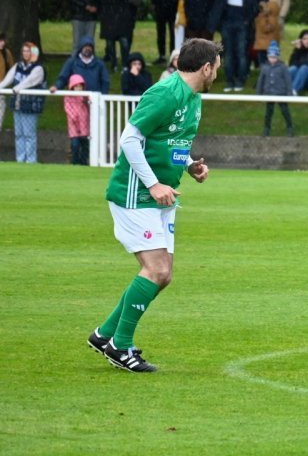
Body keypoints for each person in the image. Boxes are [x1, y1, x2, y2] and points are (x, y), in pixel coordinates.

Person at [86, 38, 221, 373]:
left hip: (163, 197)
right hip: (136, 195)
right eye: (217, 64)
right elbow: (130, 139)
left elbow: (169, 140)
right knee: (157, 270)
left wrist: (189, 165)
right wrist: (153, 183)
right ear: (206, 67)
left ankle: (105, 334)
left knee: (163, 275)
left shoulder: (194, 98)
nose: (218, 70)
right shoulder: (164, 93)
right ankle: (121, 344)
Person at [0, 43, 46, 163]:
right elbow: (8, 79)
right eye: (24, 51)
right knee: (19, 134)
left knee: (29, 135)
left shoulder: (38, 68)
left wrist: (17, 88)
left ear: (33, 53)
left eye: (29, 51)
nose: (26, 53)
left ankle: (30, 161)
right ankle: (20, 160)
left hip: (30, 105)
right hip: (18, 104)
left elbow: (29, 82)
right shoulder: (18, 66)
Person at [213, 0, 255, 91]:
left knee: (241, 53)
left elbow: (254, 6)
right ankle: (230, 81)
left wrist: (248, 20)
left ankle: (240, 80)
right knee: (228, 54)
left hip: (242, 24)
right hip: (227, 24)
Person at [253, 0, 291, 65]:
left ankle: (273, 75)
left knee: (273, 50)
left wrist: (281, 16)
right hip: (260, 21)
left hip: (275, 20)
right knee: (261, 50)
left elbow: (286, 1)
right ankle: (263, 73)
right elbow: (252, 2)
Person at [98, 0, 135, 70]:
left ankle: (125, 65)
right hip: (108, 17)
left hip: (122, 17)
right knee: (110, 43)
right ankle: (113, 64)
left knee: (124, 42)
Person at [258, 41, 294, 137]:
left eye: (274, 57)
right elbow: (260, 80)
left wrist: (289, 92)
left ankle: (290, 127)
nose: (272, 59)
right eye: (270, 57)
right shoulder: (264, 67)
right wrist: (259, 93)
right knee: (268, 112)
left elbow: (288, 81)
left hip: (281, 93)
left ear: (277, 57)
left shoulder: (283, 67)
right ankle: (266, 128)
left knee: (285, 111)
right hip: (269, 93)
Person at [64, 73, 91, 165]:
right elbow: (68, 109)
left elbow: (88, 107)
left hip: (84, 125)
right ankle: (74, 162)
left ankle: (84, 162)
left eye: (80, 86)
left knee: (85, 145)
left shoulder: (84, 97)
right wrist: (74, 117)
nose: (78, 89)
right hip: (73, 126)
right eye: (76, 86)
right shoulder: (68, 97)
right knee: (75, 145)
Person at [0, 32, 14, 131]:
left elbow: (12, 70)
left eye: (3, 41)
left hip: (2, 89)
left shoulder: (6, 53)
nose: (2, 43)